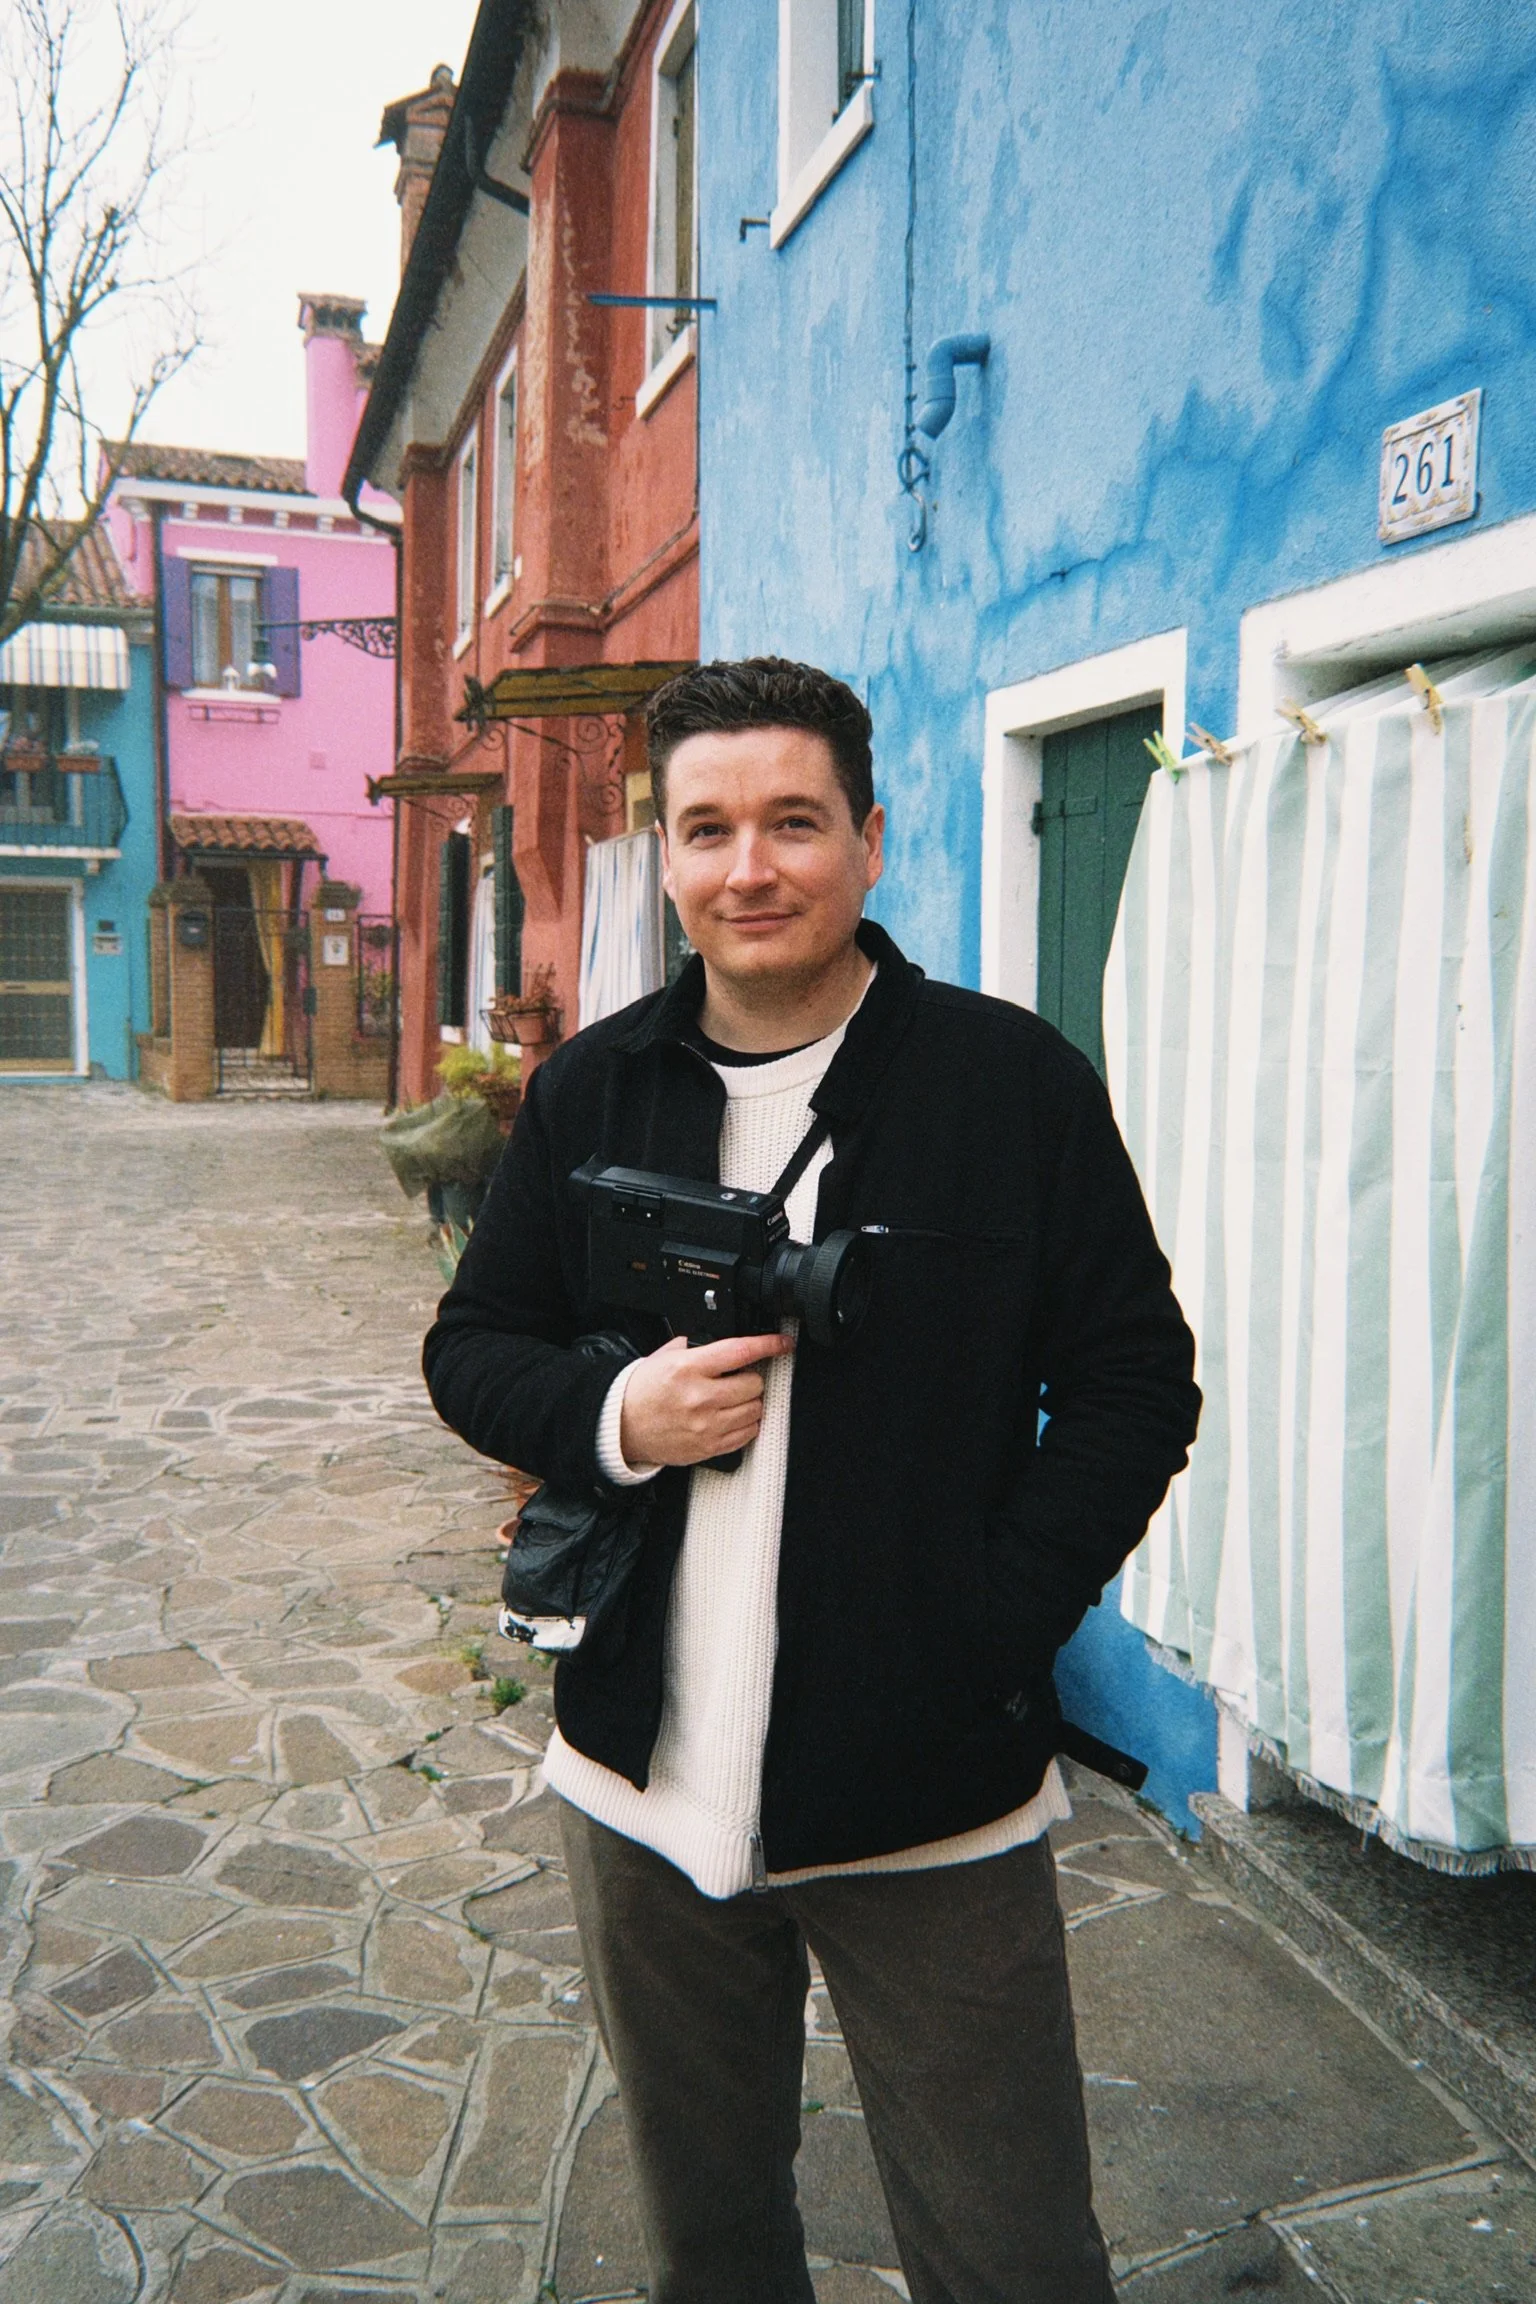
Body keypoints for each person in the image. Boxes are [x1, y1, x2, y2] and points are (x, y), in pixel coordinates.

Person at [424, 657, 1200, 2304]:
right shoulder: (591, 1089)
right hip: (641, 1787)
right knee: (712, 2247)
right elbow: (474, 1345)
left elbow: (1140, 1379)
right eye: (707, 828)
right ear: (667, 850)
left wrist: (988, 1621)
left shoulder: (1011, 1087)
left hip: (930, 1802)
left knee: (1015, 2257)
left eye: (793, 820)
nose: (748, 866)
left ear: (870, 838)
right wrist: (623, 1411)